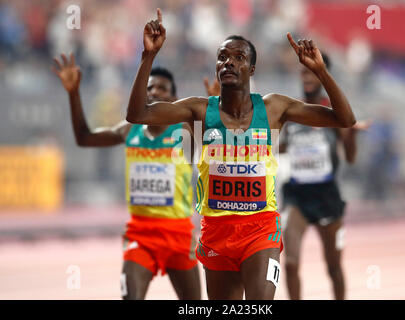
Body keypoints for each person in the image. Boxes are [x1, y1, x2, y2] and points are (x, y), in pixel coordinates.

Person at [126, 9, 356, 300]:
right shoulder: (199, 109)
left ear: (252, 69)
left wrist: (320, 72)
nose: (229, 63)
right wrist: (148, 56)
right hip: (216, 231)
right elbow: (137, 114)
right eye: (222, 57)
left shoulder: (274, 108)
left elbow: (344, 119)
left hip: (261, 228)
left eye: (238, 58)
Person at [52, 53, 201, 300]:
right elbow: (84, 138)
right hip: (140, 235)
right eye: (149, 87)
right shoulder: (130, 130)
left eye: (161, 88)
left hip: (180, 236)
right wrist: (73, 93)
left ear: (174, 99)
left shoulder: (185, 132)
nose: (153, 92)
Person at [279, 54, 370, 300]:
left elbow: (350, 159)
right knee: (290, 262)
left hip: (327, 195)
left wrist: (351, 137)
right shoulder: (290, 112)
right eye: (303, 73)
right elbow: (279, 149)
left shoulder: (335, 112)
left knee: (333, 267)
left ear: (323, 76)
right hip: (297, 196)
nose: (307, 78)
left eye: (312, 73)